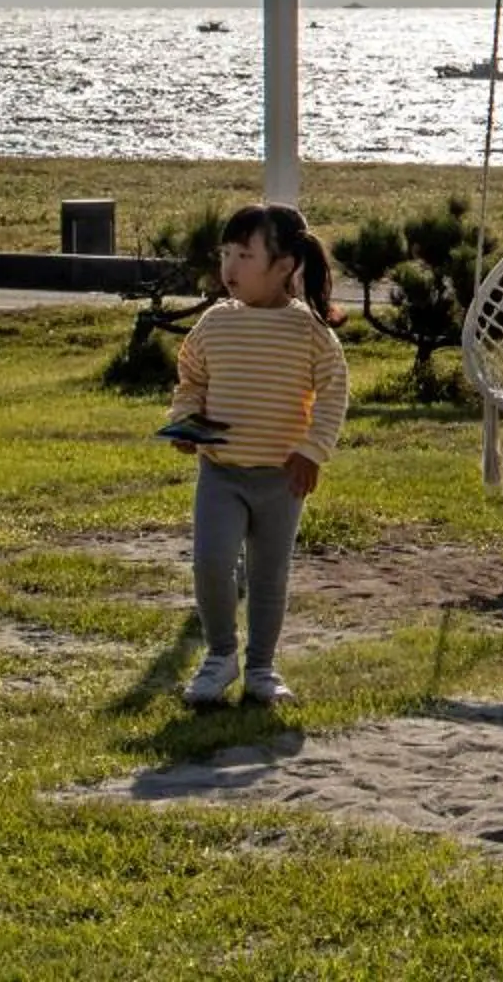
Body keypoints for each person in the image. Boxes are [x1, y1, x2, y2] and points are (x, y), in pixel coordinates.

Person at [164, 202, 349, 707]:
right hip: (221, 473)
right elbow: (192, 380)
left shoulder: (309, 331)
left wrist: (312, 450)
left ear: (285, 266)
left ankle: (262, 669)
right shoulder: (214, 324)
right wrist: (186, 423)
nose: (229, 267)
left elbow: (333, 392)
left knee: (269, 577)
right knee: (210, 563)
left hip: (280, 479)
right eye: (225, 253)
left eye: (245, 255)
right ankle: (220, 656)